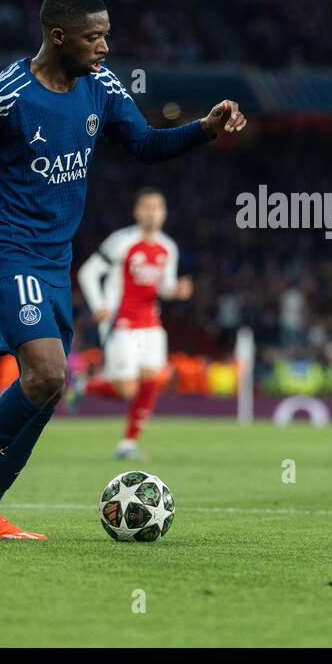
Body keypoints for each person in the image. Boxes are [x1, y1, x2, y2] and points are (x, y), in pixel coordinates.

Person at [0, 0, 246, 541]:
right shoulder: (6, 93)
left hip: (55, 256)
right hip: (3, 246)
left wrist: (204, 129)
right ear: (59, 37)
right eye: (94, 37)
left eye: (107, 36)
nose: (105, 48)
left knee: (49, 387)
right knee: (49, 371)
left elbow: (145, 143)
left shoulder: (100, 83)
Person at [75, 187, 192, 460]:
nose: (152, 213)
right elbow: (88, 272)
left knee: (153, 379)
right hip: (121, 322)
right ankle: (85, 386)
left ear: (164, 213)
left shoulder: (168, 247)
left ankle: (128, 443)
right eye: (147, 207)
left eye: (158, 208)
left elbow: (164, 286)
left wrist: (176, 291)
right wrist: (99, 305)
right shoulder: (121, 242)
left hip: (151, 323)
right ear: (137, 211)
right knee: (127, 389)